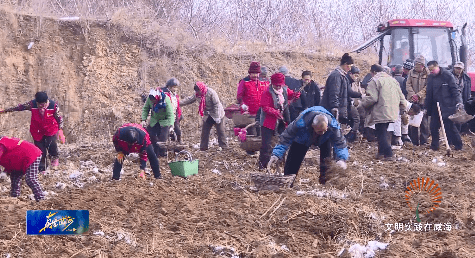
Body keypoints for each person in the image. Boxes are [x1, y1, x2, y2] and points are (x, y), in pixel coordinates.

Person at [267, 106, 348, 185]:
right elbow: (285, 138)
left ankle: (325, 183)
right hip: (303, 137)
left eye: (324, 131)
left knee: (326, 160)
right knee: (293, 161)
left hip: (325, 140)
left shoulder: (333, 126)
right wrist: (276, 154)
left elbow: (340, 143)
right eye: (319, 131)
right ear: (313, 126)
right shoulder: (300, 123)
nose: (322, 133)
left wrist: (342, 159)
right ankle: (288, 182)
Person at [0, 91, 64, 172]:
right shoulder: (32, 104)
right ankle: (42, 167)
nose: (41, 106)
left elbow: (59, 118)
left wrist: (60, 130)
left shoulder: (53, 106)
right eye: (39, 104)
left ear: (47, 101)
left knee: (51, 145)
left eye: (43, 104)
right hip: (37, 130)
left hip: (50, 129)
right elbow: (19, 107)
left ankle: (54, 159)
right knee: (40, 149)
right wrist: (5, 110)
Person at [360, 65, 407, 160]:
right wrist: (403, 109)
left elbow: (372, 98)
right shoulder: (393, 80)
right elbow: (401, 97)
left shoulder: (374, 81)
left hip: (380, 110)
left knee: (381, 132)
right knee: (383, 130)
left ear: (373, 72)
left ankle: (389, 154)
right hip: (393, 110)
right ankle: (381, 153)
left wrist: (362, 104)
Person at [258, 73, 300, 169]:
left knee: (283, 141)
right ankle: (263, 165)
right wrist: (274, 112)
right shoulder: (267, 92)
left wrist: (295, 95)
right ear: (272, 83)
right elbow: (264, 107)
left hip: (281, 120)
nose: (278, 87)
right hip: (268, 122)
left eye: (279, 85)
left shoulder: (284, 89)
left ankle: (281, 162)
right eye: (276, 85)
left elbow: (290, 95)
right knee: (266, 145)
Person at [425, 60, 464, 151]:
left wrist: (459, 102)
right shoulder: (430, 77)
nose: (431, 71)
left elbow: (455, 90)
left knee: (449, 126)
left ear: (437, 66)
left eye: (432, 69)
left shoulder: (447, 75)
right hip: (435, 106)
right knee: (433, 126)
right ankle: (435, 146)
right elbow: (429, 93)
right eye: (429, 70)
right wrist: (427, 106)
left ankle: (458, 145)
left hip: (447, 106)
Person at [181, 82, 227, 151]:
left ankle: (224, 146)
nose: (197, 92)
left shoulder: (211, 93)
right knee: (205, 130)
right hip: (208, 114)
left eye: (198, 90)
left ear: (201, 89)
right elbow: (189, 100)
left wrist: (217, 117)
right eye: (196, 91)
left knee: (220, 130)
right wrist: (178, 103)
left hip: (217, 113)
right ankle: (203, 147)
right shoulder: (197, 95)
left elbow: (216, 105)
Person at [0, 136, 44, 201]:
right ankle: (14, 198)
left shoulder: (2, 144)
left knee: (30, 178)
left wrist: (3, 172)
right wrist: (5, 171)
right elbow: (9, 157)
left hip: (31, 155)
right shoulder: (4, 143)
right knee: (14, 177)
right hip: (18, 160)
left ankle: (41, 198)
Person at [141, 87, 175, 157]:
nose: (153, 102)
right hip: (154, 120)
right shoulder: (149, 99)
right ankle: (153, 152)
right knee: (150, 135)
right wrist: (143, 120)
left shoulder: (166, 100)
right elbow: (145, 109)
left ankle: (162, 153)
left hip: (164, 121)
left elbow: (170, 114)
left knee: (162, 139)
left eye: (154, 100)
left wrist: (171, 126)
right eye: (152, 100)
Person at [321, 53, 354, 124]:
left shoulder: (343, 76)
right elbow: (334, 92)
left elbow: (347, 92)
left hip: (339, 110)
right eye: (350, 66)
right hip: (332, 110)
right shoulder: (336, 76)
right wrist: (334, 107)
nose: (350, 69)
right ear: (345, 64)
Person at [236, 62, 268, 135]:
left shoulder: (263, 82)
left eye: (256, 74)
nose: (255, 75)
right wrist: (242, 104)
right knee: (252, 133)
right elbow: (239, 96)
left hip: (261, 112)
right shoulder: (244, 82)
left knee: (261, 133)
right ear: (250, 73)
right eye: (253, 73)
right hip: (249, 113)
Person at [406, 55, 430, 146]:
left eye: (418, 65)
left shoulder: (428, 73)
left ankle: (424, 141)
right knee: (413, 121)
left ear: (423, 65)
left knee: (424, 122)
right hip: (412, 100)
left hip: (423, 100)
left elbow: (427, 87)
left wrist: (419, 95)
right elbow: (408, 84)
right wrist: (413, 95)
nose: (416, 67)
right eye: (415, 65)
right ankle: (414, 141)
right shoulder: (411, 72)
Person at [452, 62, 472, 134]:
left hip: (462, 98)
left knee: (460, 116)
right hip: (452, 99)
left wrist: (467, 99)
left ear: (463, 69)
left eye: (460, 69)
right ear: (454, 68)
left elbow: (468, 89)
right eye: (457, 68)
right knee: (453, 117)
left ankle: (459, 133)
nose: (458, 70)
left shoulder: (467, 78)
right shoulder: (449, 76)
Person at [162, 78, 183, 144]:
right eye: (174, 87)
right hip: (166, 116)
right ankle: (163, 151)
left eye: (176, 87)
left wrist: (179, 115)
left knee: (178, 131)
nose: (175, 89)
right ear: (169, 87)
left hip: (174, 116)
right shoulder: (164, 94)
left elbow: (177, 105)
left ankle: (178, 145)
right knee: (165, 134)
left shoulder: (175, 95)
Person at [346, 66, 363, 142]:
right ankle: (352, 135)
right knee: (356, 118)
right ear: (350, 74)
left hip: (349, 102)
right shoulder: (347, 81)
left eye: (357, 76)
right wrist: (360, 95)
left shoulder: (351, 81)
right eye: (355, 75)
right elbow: (350, 92)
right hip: (347, 103)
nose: (356, 77)